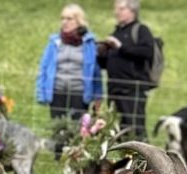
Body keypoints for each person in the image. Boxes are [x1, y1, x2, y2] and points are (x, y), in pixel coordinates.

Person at [36, 4, 103, 151]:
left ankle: (75, 156)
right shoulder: (55, 42)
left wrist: (98, 96)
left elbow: (96, 72)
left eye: (69, 18)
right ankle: (58, 155)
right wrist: (41, 91)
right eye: (63, 18)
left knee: (78, 128)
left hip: (79, 92)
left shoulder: (89, 43)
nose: (64, 22)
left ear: (79, 21)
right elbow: (44, 67)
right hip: (57, 90)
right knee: (58, 127)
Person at [97, 0, 155, 140]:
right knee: (115, 129)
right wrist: (101, 54)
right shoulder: (116, 32)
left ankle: (142, 153)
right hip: (113, 90)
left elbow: (147, 52)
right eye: (116, 9)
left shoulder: (141, 30)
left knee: (135, 129)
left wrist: (120, 47)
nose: (117, 12)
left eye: (121, 8)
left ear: (132, 11)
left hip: (132, 90)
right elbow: (106, 64)